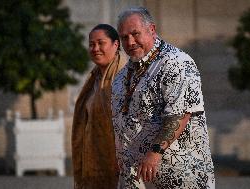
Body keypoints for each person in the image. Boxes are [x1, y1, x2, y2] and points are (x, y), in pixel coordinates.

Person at [111, 7, 215, 189]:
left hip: (178, 175)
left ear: (151, 29)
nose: (130, 42)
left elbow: (180, 114)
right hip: (133, 177)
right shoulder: (122, 76)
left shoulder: (176, 63)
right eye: (124, 37)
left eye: (135, 34)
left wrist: (154, 153)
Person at [72, 24, 127, 189]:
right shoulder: (94, 79)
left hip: (119, 166)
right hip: (93, 162)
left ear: (115, 44)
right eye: (91, 44)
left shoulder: (125, 76)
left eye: (101, 43)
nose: (95, 48)